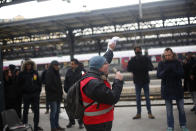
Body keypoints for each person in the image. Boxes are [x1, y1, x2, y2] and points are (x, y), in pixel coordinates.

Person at [80, 38, 123, 131]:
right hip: (98, 122)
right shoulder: (94, 83)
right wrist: (118, 81)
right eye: (106, 63)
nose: (108, 64)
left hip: (100, 120)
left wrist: (110, 49)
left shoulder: (92, 73)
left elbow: (103, 59)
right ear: (100, 67)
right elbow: (113, 98)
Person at [157, 48, 189, 131]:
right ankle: (170, 126)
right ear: (164, 55)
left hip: (177, 88)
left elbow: (182, 74)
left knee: (181, 109)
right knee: (169, 110)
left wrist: (174, 71)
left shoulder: (177, 62)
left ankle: (183, 125)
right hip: (166, 89)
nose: (167, 57)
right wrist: (165, 71)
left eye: (169, 55)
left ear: (172, 54)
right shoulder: (161, 63)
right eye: (166, 55)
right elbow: (158, 75)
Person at [127, 46, 155, 119]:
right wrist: (144, 67)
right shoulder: (145, 58)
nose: (138, 51)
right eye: (137, 50)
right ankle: (144, 113)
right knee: (144, 98)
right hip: (141, 80)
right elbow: (151, 67)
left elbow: (129, 69)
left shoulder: (133, 60)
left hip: (141, 80)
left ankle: (144, 113)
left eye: (138, 50)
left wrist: (136, 69)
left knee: (141, 98)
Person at [17, 60, 43, 131]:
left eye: (30, 65)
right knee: (25, 112)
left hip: (35, 95)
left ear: (31, 65)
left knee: (36, 111)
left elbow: (39, 83)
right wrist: (23, 92)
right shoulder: (21, 74)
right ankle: (24, 126)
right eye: (27, 65)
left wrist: (38, 92)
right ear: (25, 65)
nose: (28, 66)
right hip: (26, 95)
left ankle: (35, 127)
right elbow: (18, 84)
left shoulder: (35, 73)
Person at [64, 58, 85, 129]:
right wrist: (66, 89)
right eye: (70, 63)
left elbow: (85, 80)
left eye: (72, 64)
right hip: (70, 93)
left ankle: (80, 123)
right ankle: (71, 121)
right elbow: (66, 81)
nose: (71, 65)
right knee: (69, 108)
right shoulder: (69, 71)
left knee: (80, 108)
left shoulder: (82, 71)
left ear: (76, 64)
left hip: (79, 93)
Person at [45, 61, 65, 131]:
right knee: (53, 112)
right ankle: (53, 128)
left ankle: (57, 126)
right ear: (53, 66)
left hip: (58, 96)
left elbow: (59, 84)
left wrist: (61, 92)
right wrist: (57, 90)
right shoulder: (49, 73)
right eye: (56, 65)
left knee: (57, 112)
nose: (57, 66)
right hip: (52, 96)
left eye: (58, 65)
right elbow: (48, 85)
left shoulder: (57, 73)